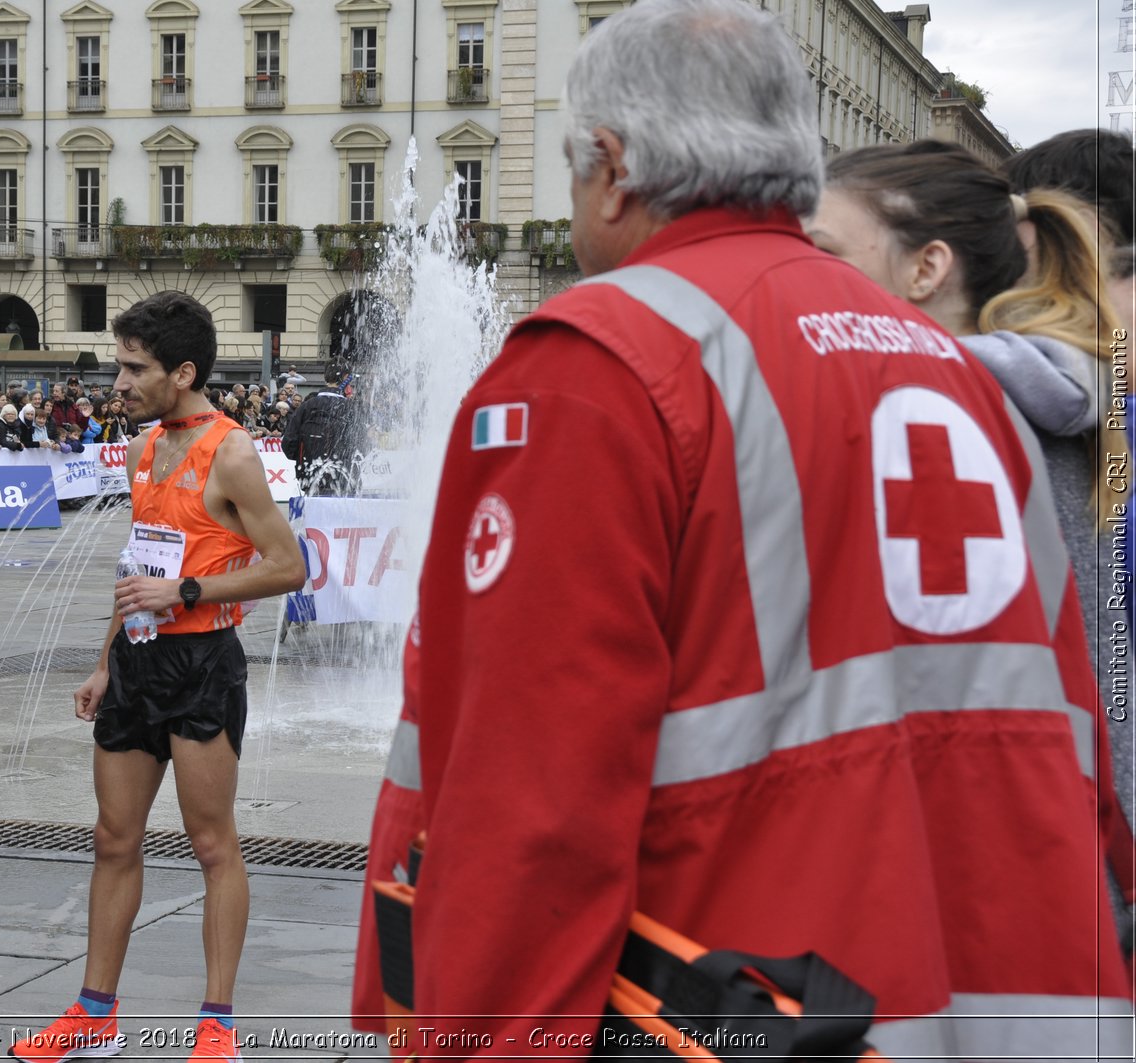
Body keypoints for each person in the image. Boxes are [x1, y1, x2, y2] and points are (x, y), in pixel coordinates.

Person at [357, 0, 1134, 1056]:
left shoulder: (605, 361)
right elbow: (1073, 710)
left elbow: (530, 805)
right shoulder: (956, 374)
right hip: (1000, 996)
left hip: (746, 994)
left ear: (613, 165)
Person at [811, 138, 1135, 947]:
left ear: (926, 270)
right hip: (1073, 852)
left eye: (824, 254)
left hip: (1013, 873)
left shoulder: (937, 420)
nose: (803, 280)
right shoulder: (1063, 394)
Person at [9, 291, 304, 1063]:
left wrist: (189, 592)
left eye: (135, 367)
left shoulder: (231, 451)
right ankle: (95, 1014)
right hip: (138, 661)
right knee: (114, 838)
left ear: (183, 370)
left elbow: (289, 566)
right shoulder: (144, 449)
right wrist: (106, 659)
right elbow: (138, 563)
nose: (119, 379)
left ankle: (216, 1025)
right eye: (119, 363)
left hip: (203, 661)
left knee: (212, 844)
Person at [280, 364, 362, 496]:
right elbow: (362, 446)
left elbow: (288, 443)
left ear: (325, 378)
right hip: (343, 480)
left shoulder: (306, 406)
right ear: (346, 378)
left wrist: (306, 457)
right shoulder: (352, 409)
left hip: (311, 479)